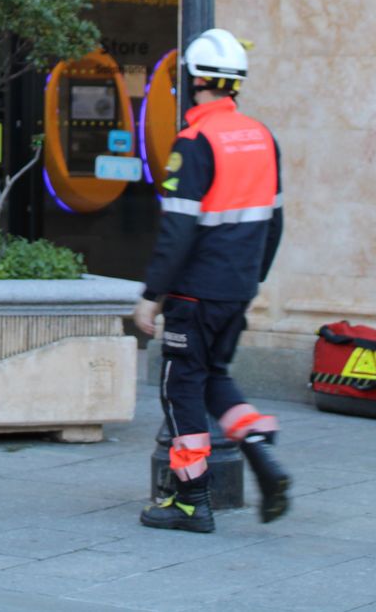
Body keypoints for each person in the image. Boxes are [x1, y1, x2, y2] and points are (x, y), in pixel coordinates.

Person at [135, 28, 288, 532]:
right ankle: (263, 456)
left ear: (196, 80)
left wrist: (152, 297)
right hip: (236, 289)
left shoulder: (195, 142)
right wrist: (251, 278)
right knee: (213, 378)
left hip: (194, 293)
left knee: (181, 388)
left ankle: (189, 501)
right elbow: (275, 221)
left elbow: (178, 230)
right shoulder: (263, 137)